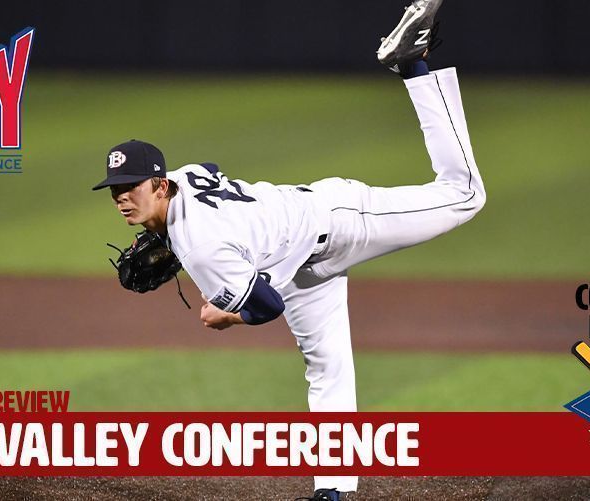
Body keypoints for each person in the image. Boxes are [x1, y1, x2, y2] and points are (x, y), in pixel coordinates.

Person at [93, 1, 481, 499]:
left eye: (131, 186)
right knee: (327, 369)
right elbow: (209, 169)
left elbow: (266, 306)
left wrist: (227, 316)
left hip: (334, 221)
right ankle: (332, 491)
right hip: (294, 262)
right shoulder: (185, 177)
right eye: (115, 189)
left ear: (160, 185)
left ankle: (412, 67)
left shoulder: (203, 249)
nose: (122, 197)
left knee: (464, 195)